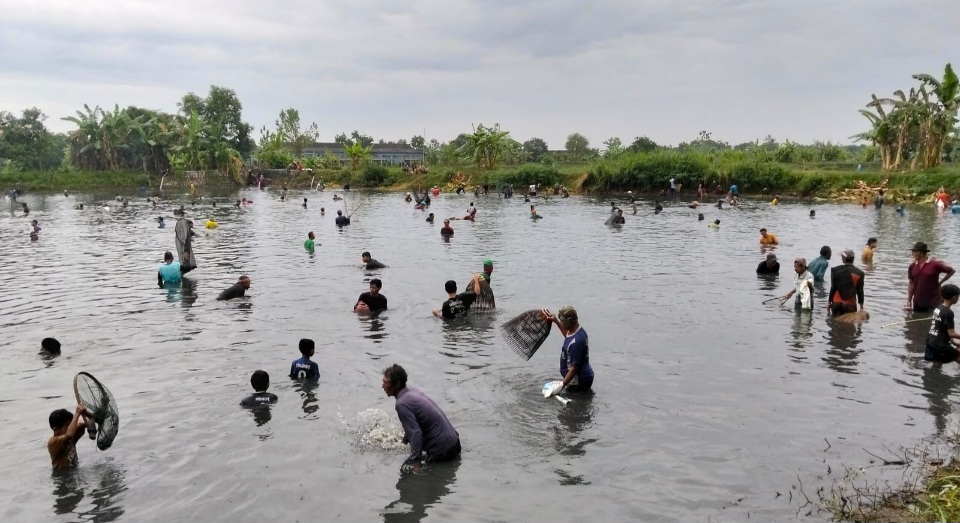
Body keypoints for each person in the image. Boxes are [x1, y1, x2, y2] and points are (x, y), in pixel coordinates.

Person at [540, 306, 594, 393]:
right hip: (578, 379)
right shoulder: (576, 331)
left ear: (570, 322)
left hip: (578, 382)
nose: (561, 323)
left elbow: (574, 368)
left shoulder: (577, 341)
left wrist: (562, 385)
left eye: (562, 321)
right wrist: (556, 321)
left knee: (574, 405)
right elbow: (568, 337)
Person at [907, 242, 955, 313]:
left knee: (934, 322)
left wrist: (940, 282)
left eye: (914, 252)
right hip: (918, 302)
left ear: (921, 253)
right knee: (916, 322)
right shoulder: (912, 266)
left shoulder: (935, 264)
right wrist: (909, 300)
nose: (912, 254)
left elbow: (951, 271)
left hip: (933, 302)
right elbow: (911, 283)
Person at [47, 404, 91, 470]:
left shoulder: (70, 438)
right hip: (61, 476)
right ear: (56, 429)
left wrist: (86, 416)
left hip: (73, 471)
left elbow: (85, 425)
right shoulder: (53, 442)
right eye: (67, 426)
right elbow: (69, 435)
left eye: (70, 425)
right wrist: (77, 413)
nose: (71, 428)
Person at [924, 284, 960, 364]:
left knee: (936, 366)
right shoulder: (949, 312)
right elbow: (951, 333)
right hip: (941, 346)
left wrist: (952, 341)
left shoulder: (938, 308)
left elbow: (939, 328)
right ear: (954, 297)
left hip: (931, 342)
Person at [828, 249, 865, 315]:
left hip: (836, 303)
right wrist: (861, 307)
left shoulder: (835, 270)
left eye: (842, 257)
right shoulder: (860, 273)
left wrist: (829, 302)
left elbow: (833, 287)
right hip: (849, 304)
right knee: (849, 324)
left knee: (834, 323)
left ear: (844, 259)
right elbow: (860, 290)